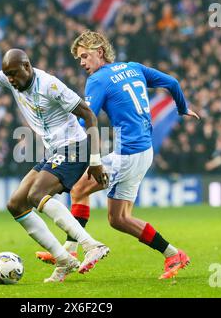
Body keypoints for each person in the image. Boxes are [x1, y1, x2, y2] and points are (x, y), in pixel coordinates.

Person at [0, 31, 110, 282]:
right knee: (16, 204)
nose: (11, 80)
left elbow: (90, 115)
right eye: (7, 75)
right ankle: (63, 259)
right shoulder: (9, 78)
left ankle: (91, 245)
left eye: (14, 74)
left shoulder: (50, 85)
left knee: (36, 195)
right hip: (54, 151)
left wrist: (95, 160)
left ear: (27, 66)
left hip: (75, 147)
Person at [36, 30, 200, 280]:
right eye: (79, 58)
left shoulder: (98, 80)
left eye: (85, 56)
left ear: (99, 52)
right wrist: (182, 108)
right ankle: (173, 253)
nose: (81, 63)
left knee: (79, 190)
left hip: (127, 153)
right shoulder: (133, 67)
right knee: (119, 218)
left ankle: (68, 252)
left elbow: (86, 119)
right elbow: (173, 83)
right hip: (144, 152)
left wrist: (70, 145)